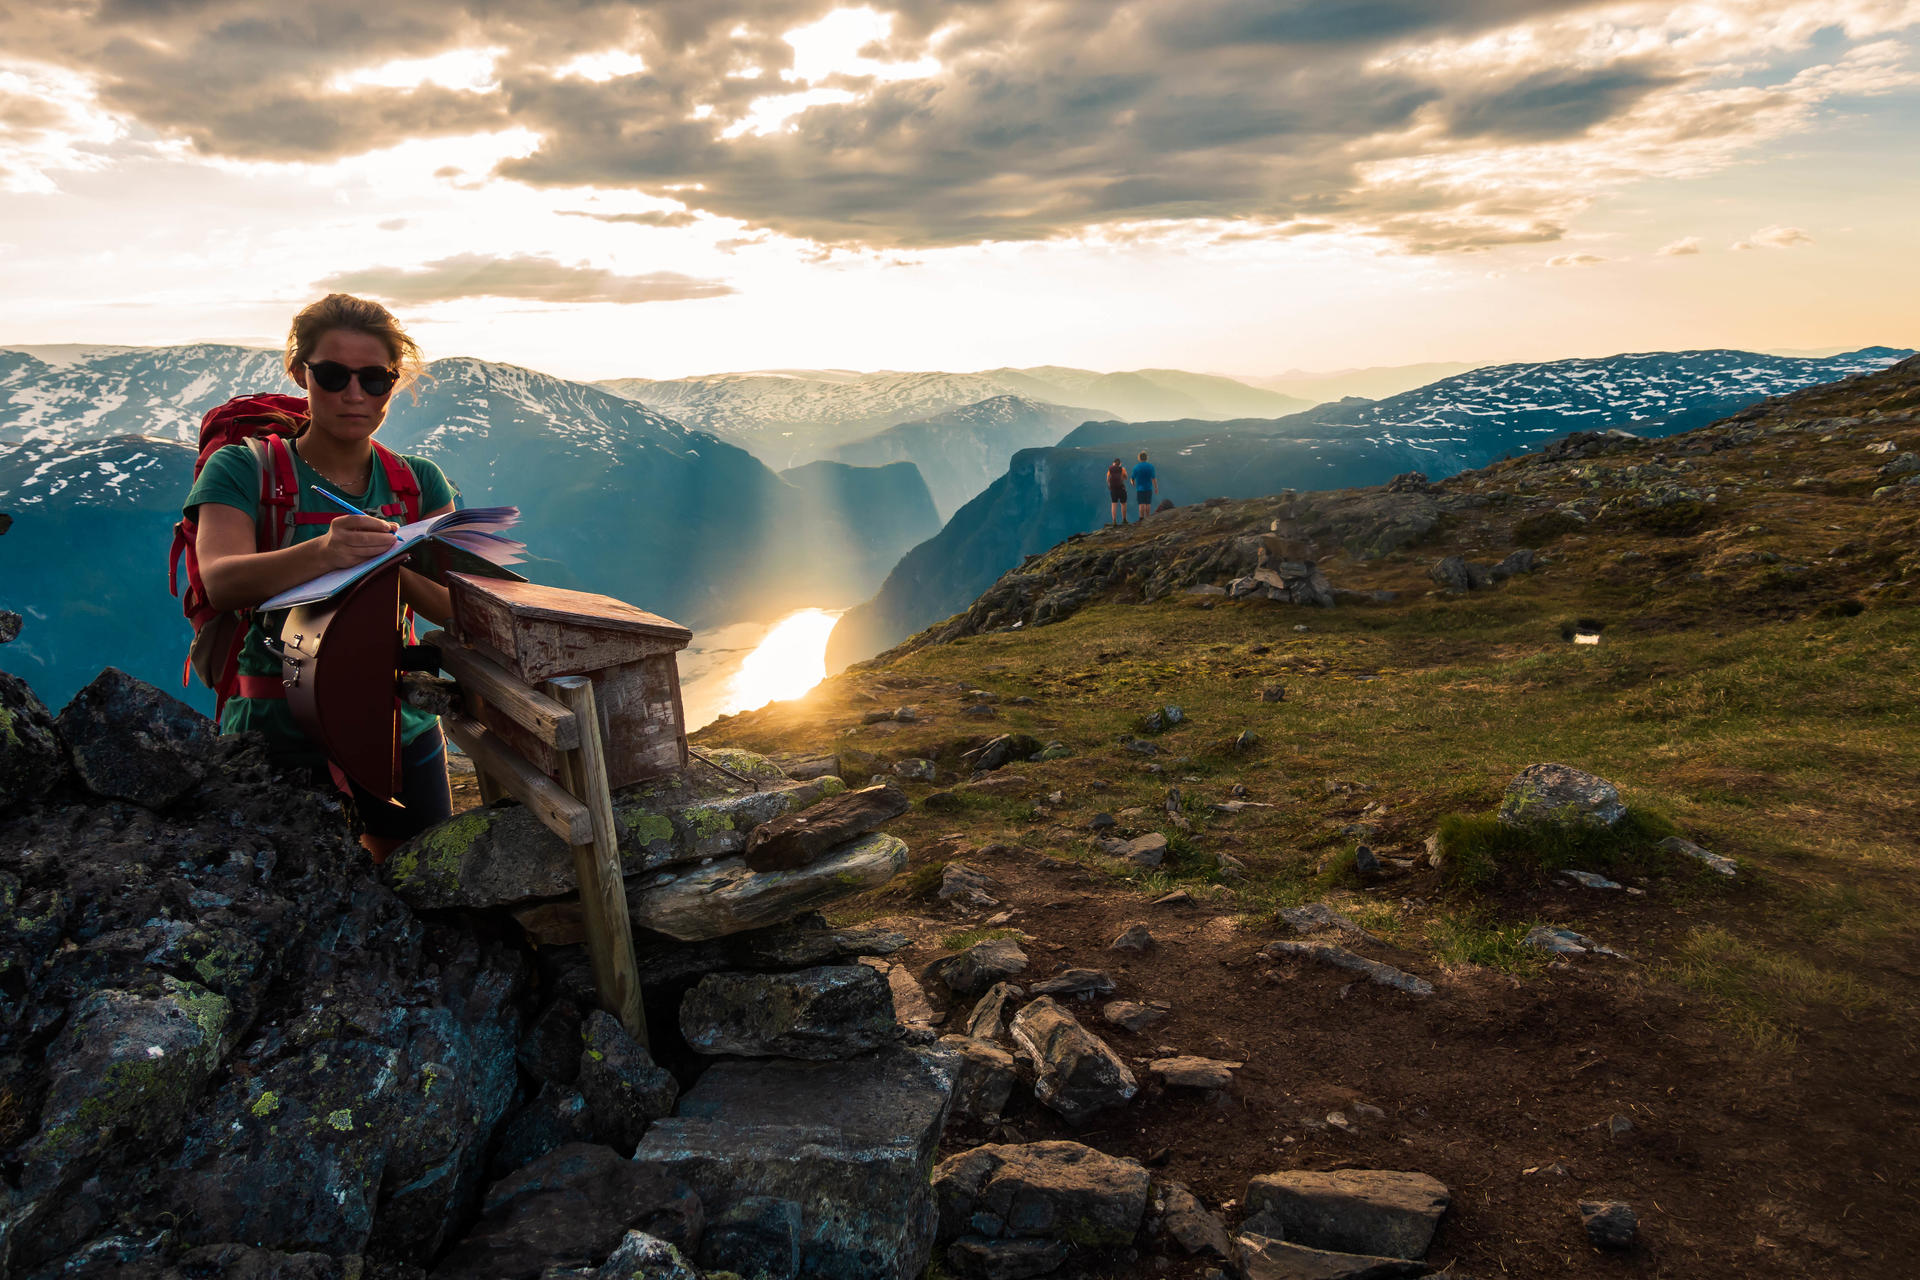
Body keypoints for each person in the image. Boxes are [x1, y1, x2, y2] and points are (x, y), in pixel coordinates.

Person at [185, 294, 458, 859]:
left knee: (424, 894)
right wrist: (327, 552)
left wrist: (390, 568)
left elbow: (457, 607)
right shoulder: (243, 468)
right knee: (284, 905)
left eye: (375, 379)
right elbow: (222, 581)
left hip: (397, 726)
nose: (354, 394)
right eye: (333, 375)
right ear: (299, 373)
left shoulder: (420, 483)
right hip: (271, 731)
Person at [1131, 450, 1158, 519]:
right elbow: (1153, 478)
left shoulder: (1136, 467)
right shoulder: (1151, 466)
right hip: (1148, 488)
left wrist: (1133, 483)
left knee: (1141, 504)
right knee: (1148, 503)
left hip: (1140, 488)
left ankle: (1141, 518)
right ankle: (1147, 517)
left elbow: (1132, 478)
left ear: (1139, 458)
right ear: (1146, 458)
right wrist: (1156, 488)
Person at [1106, 457, 1130, 525]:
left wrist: (1110, 486)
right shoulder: (1122, 469)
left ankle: (1114, 521)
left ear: (1113, 463)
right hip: (1121, 488)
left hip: (1113, 489)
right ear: (1120, 464)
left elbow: (1108, 479)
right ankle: (1124, 520)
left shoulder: (1110, 469)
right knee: (1123, 504)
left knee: (1114, 504)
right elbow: (1126, 477)